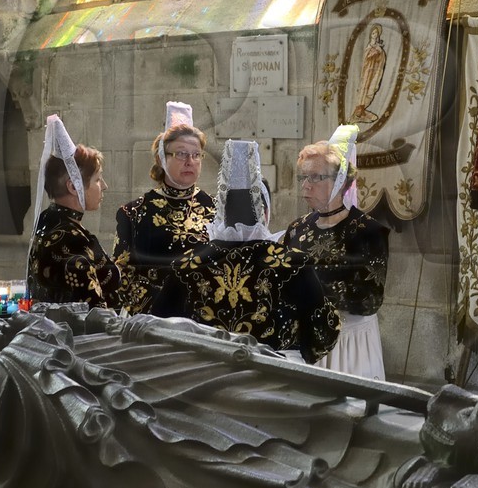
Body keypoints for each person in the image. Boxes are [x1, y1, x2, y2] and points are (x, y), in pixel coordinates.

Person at [153, 138, 340, 365]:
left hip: (202, 378)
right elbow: (323, 334)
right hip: (276, 378)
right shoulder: (293, 263)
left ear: (221, 207)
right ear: (264, 211)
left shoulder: (187, 264)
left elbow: (160, 327)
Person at [283, 126, 389, 380]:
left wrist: (311, 291)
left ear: (340, 180)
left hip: (348, 342)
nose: (306, 186)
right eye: (303, 178)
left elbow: (370, 298)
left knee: (348, 410)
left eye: (315, 177)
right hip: (305, 336)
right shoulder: (297, 228)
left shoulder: (367, 231)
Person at [113, 101, 214, 314]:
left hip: (207, 318)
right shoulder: (133, 213)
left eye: (196, 154)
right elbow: (122, 275)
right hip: (155, 320)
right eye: (181, 154)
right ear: (161, 158)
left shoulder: (217, 209)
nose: (190, 161)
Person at [27, 114, 120, 308]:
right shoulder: (69, 239)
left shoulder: (48, 221)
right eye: (97, 179)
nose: (104, 186)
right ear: (72, 187)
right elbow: (94, 314)